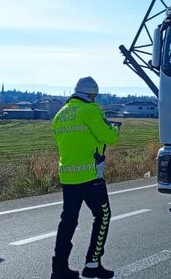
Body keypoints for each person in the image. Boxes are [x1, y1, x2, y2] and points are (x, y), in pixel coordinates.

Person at [51, 77, 120, 279]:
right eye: (95, 96)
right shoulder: (90, 111)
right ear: (91, 95)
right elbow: (110, 137)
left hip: (68, 176)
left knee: (68, 221)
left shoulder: (60, 115)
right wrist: (114, 128)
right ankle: (92, 263)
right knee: (103, 216)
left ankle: (59, 268)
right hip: (91, 176)